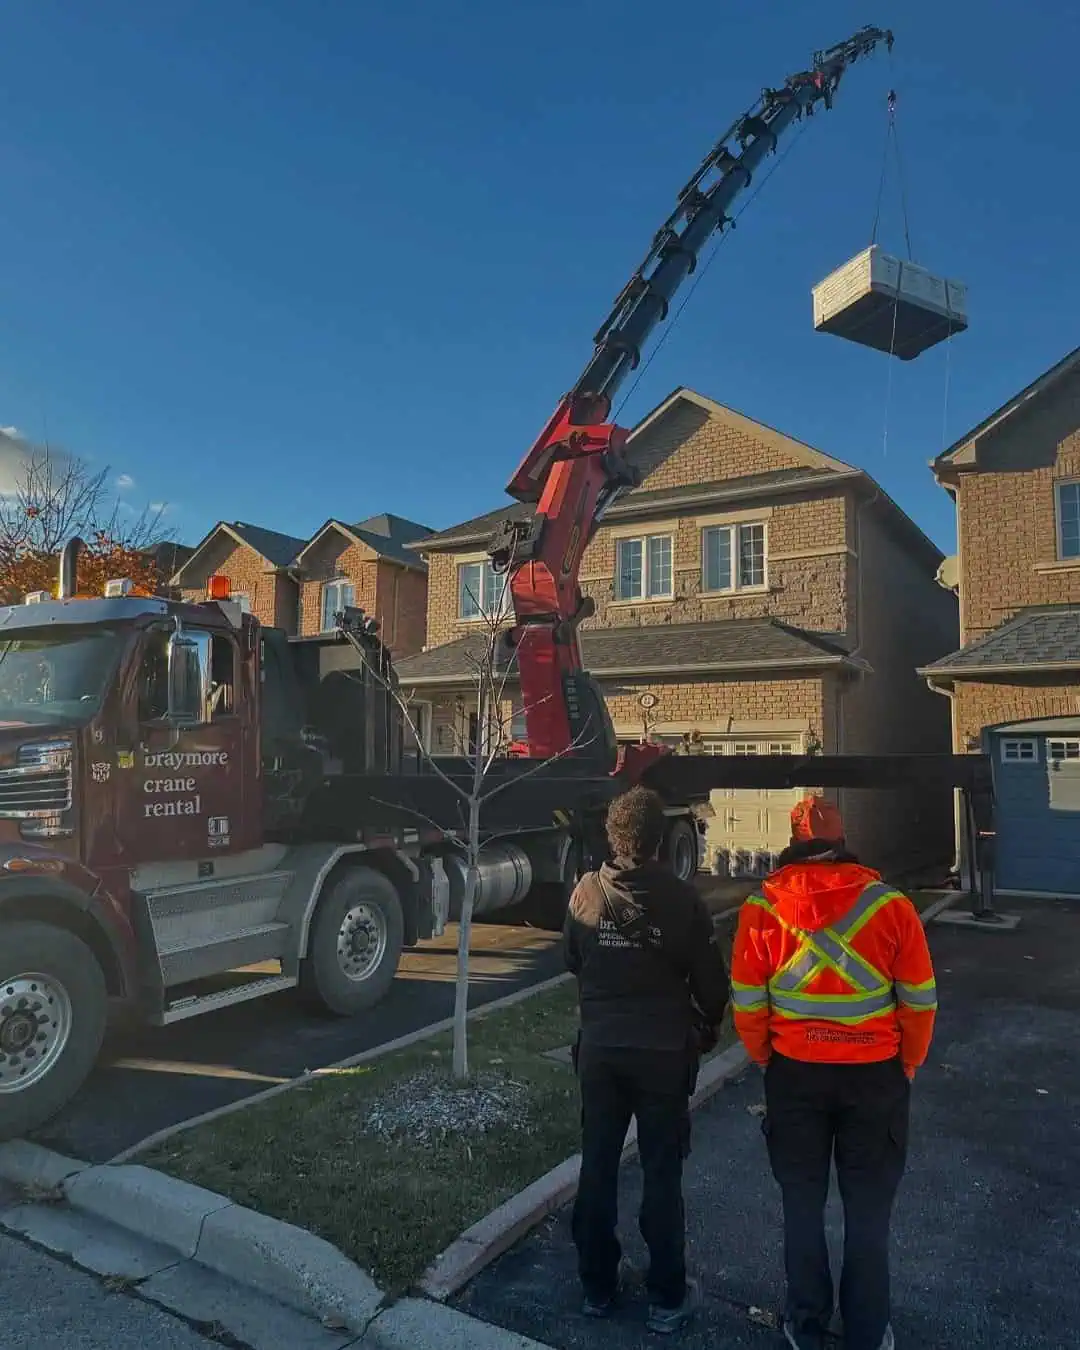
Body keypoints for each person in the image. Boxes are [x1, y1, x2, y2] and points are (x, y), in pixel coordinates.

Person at [730, 798, 938, 1350]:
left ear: (793, 843)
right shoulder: (889, 905)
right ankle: (866, 1331)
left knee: (802, 1206)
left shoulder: (762, 906)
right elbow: (919, 1001)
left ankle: (806, 1325)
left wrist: (766, 1059)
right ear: (842, 842)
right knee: (868, 1211)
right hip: (874, 1077)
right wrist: (909, 1063)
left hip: (794, 1077)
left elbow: (748, 1003)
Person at [564, 786, 729, 1334]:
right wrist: (704, 1026)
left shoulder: (587, 891)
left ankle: (596, 1287)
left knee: (598, 1166)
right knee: (661, 1172)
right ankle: (666, 1297)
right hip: (662, 1056)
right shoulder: (683, 901)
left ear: (613, 837)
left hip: (601, 1052)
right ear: (659, 840)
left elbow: (572, 958)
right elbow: (713, 987)